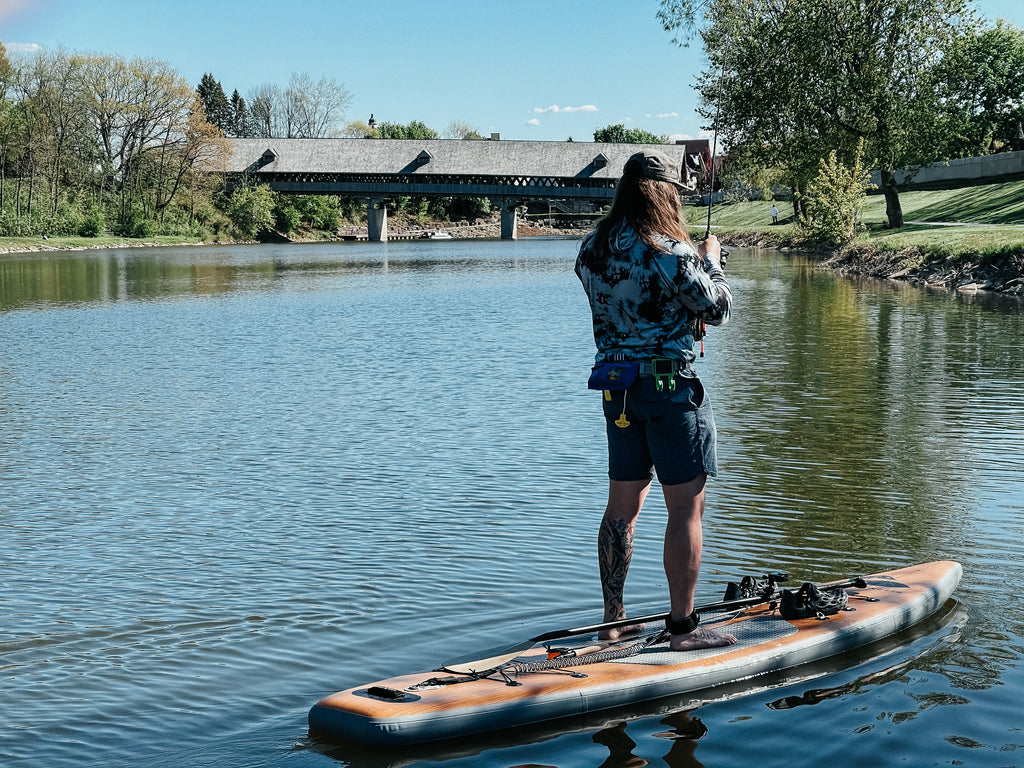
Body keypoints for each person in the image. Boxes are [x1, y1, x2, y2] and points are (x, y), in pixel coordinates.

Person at [575, 149, 735, 652]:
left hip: (618, 392)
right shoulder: (672, 252)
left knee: (621, 506)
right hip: (671, 391)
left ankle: (613, 620)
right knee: (685, 509)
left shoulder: (591, 249)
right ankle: (683, 629)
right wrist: (711, 261)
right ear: (665, 194)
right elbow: (718, 309)